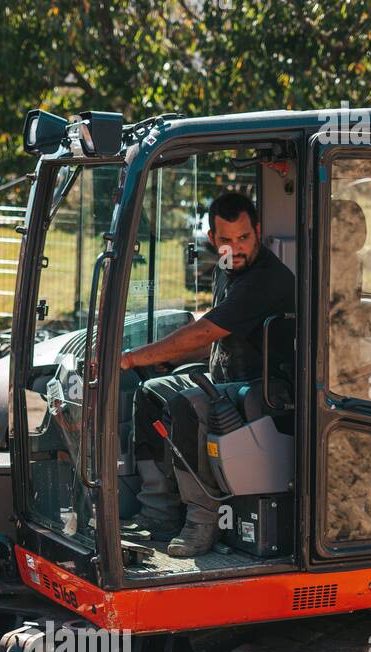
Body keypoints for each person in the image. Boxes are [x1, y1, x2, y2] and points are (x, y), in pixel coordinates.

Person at [120, 191, 296, 558]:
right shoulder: (227, 269)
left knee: (187, 405)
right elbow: (221, 337)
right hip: (225, 379)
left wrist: (134, 357)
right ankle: (159, 510)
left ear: (258, 232)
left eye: (245, 237)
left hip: (267, 390)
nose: (237, 247)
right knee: (152, 392)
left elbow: (205, 332)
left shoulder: (267, 279)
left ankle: (203, 519)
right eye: (227, 239)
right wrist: (164, 358)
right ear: (213, 239)